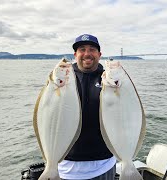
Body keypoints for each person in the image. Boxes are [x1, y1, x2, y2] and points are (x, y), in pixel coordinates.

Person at [58, 34, 116, 180]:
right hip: (66, 166)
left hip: (104, 164)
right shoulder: (63, 78)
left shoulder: (110, 79)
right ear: (75, 54)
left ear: (99, 54)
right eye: (82, 49)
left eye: (92, 49)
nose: (87, 54)